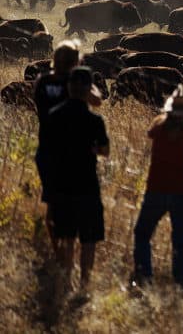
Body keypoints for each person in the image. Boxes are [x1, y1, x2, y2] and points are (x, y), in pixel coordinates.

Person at [38, 67, 110, 293]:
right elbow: (105, 150)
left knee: (67, 237)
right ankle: (84, 285)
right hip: (87, 182)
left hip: (62, 182)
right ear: (88, 90)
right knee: (88, 239)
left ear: (68, 88)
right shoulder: (94, 120)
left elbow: (46, 149)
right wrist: (91, 148)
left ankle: (67, 281)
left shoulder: (54, 115)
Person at [131, 85, 183, 288]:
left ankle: (144, 277)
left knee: (142, 234)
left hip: (156, 188)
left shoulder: (159, 128)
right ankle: (179, 283)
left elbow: (151, 131)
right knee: (181, 242)